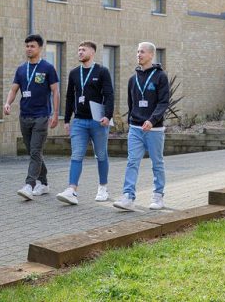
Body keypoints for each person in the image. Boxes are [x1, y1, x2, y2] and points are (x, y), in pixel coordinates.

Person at [113, 42, 170, 211]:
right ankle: (128, 197)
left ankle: (158, 196)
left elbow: (163, 102)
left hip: (154, 129)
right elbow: (132, 104)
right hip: (136, 128)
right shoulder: (133, 79)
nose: (139, 55)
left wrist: (152, 120)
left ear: (151, 55)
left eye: (142, 52)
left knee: (157, 163)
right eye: (137, 52)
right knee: (132, 162)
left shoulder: (161, 77)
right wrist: (132, 121)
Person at [56, 41, 114, 205]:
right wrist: (67, 119)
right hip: (79, 121)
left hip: (98, 121)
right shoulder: (74, 73)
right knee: (76, 155)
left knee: (101, 155)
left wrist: (108, 116)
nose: (80, 52)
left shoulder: (102, 71)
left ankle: (103, 187)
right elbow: (69, 97)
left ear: (93, 52)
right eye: (79, 49)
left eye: (84, 50)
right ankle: (72, 190)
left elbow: (109, 95)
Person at [4, 34, 60, 201]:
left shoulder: (48, 68)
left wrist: (56, 113)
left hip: (41, 116)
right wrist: (8, 103)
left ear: (40, 48)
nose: (29, 49)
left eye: (32, 46)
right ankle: (44, 182)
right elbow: (14, 89)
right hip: (25, 115)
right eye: (27, 46)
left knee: (36, 151)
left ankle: (30, 185)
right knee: (32, 151)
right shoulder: (21, 69)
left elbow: (55, 91)